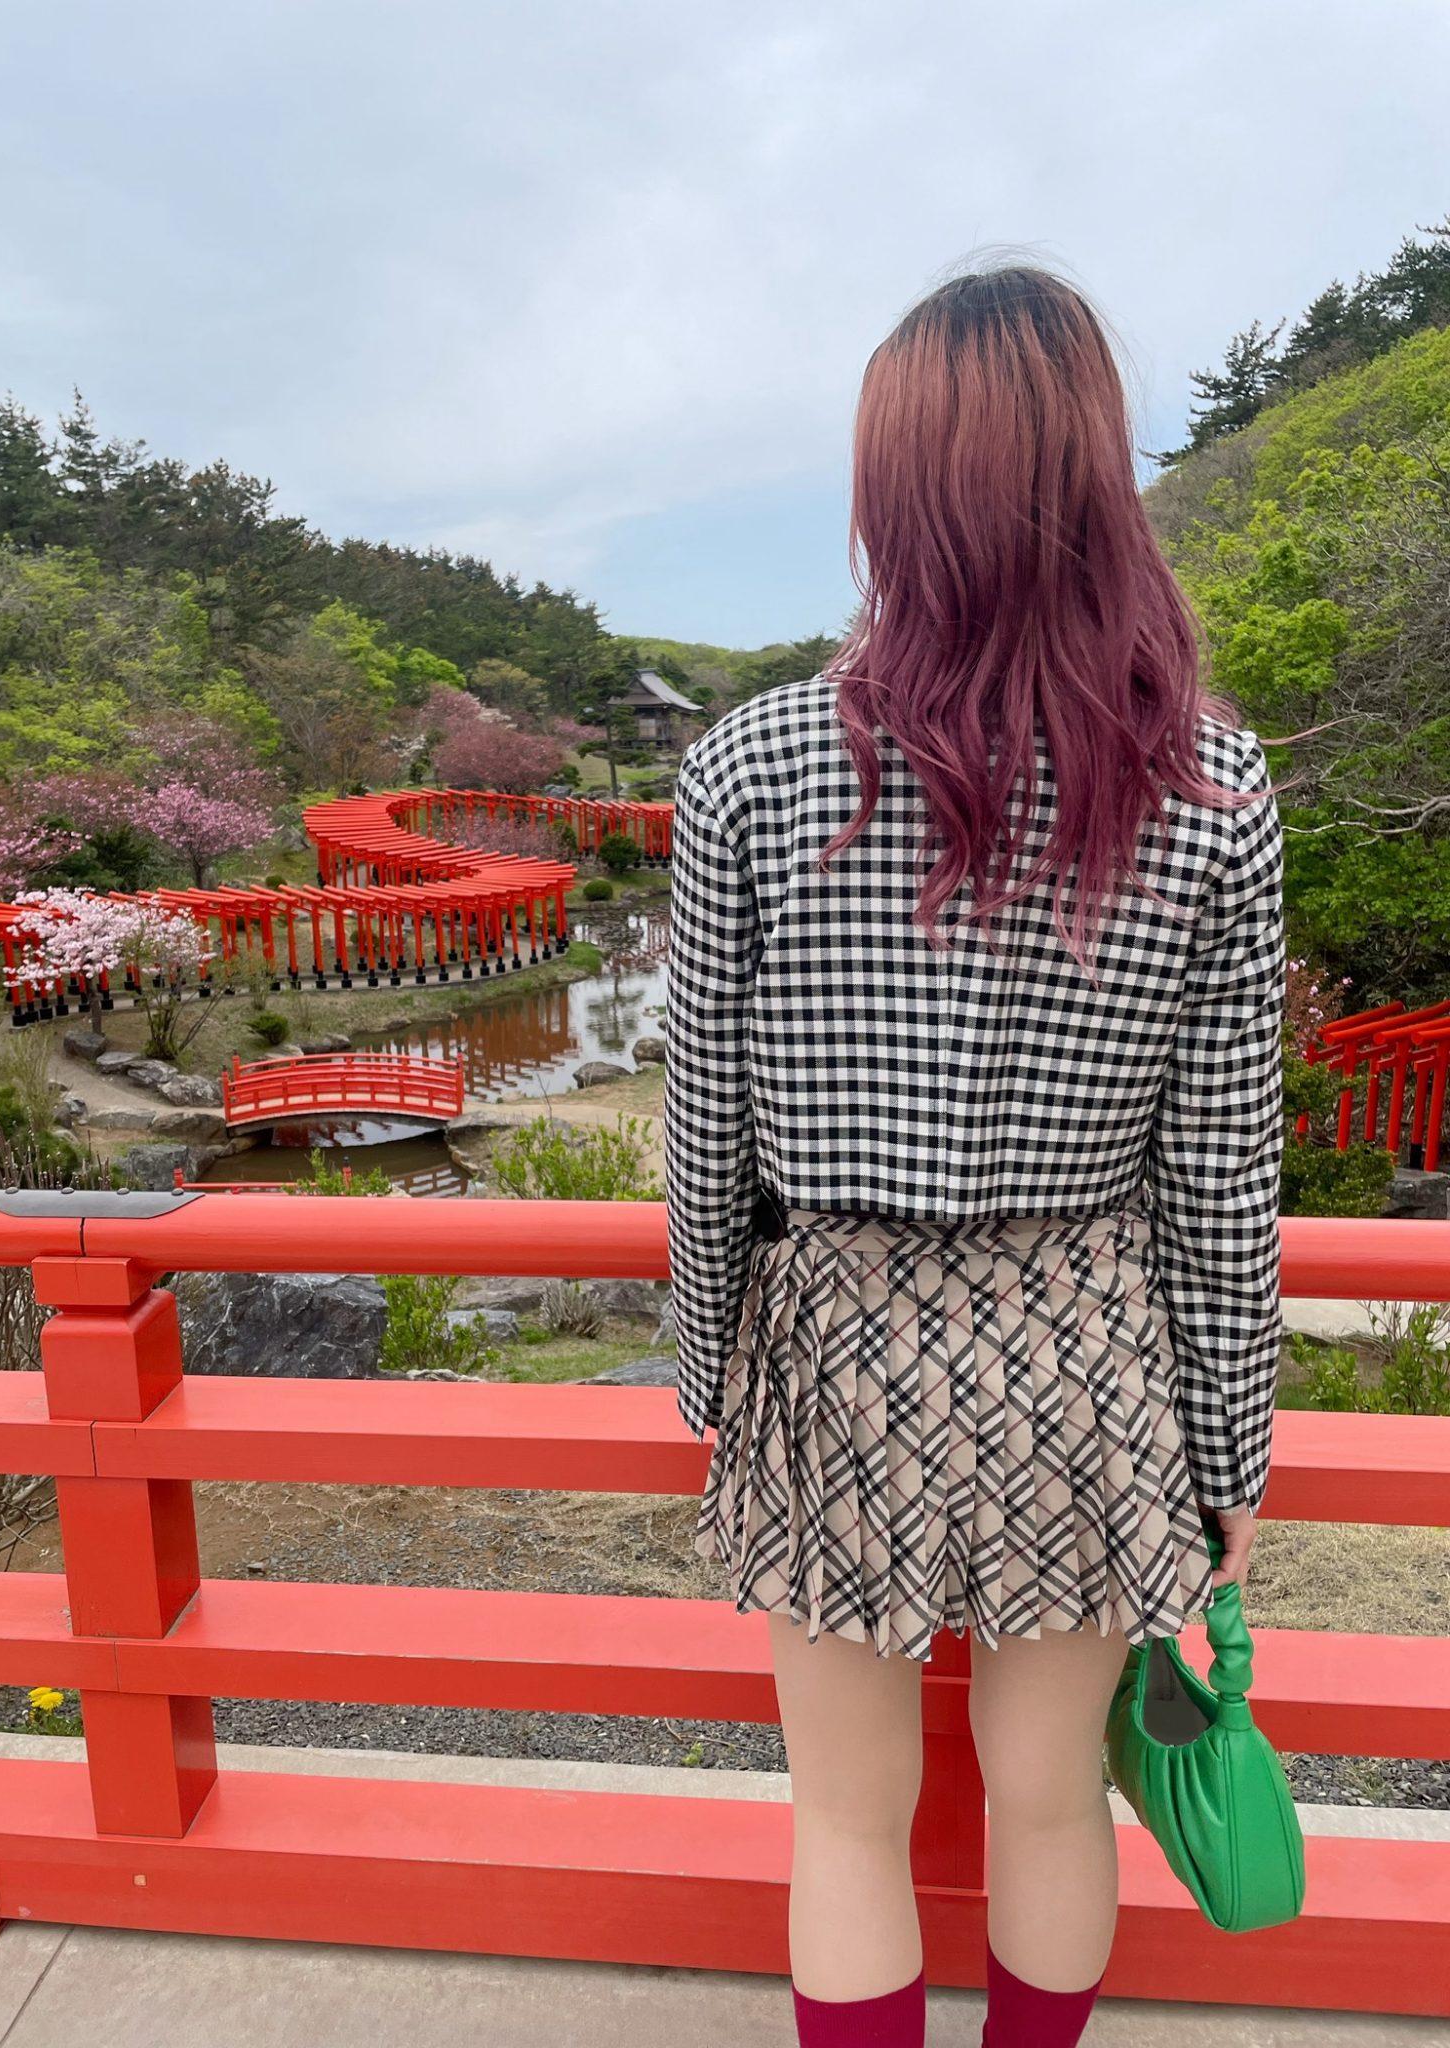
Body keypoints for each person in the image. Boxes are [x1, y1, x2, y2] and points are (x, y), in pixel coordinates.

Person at [662, 263, 1289, 2048]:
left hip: (837, 1337)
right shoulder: (1211, 790)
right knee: (1047, 1802)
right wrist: (1232, 1453)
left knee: (847, 1817)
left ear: (891, 492)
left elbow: (706, 1128)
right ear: (1099, 477)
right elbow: (1221, 1177)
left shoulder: (751, 769)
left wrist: (708, 1366)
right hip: (1089, 1350)